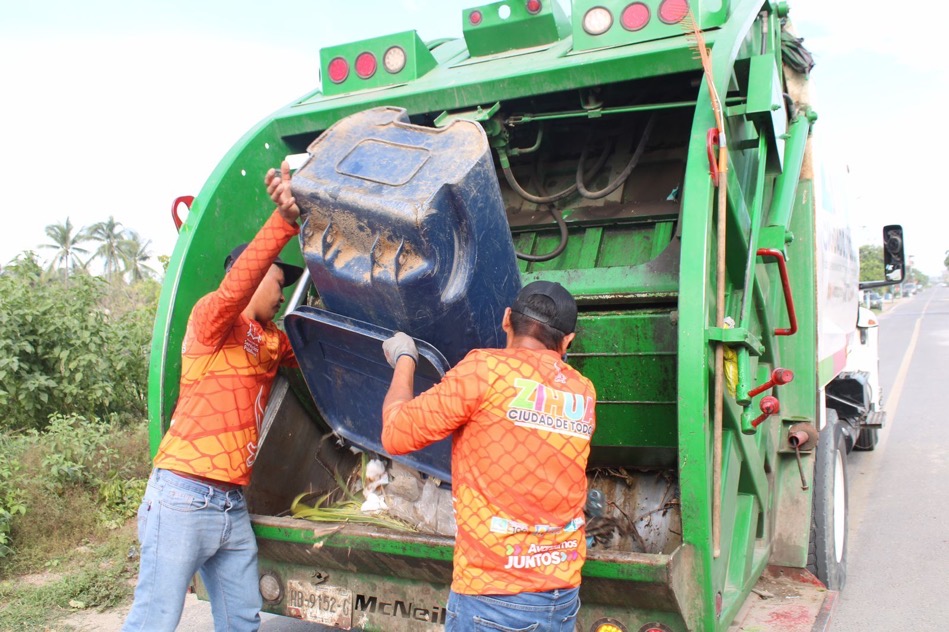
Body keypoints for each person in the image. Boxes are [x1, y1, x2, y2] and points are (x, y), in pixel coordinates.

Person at [122, 161, 303, 632]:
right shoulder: (211, 322)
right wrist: (283, 222)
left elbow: (311, 353)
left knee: (242, 620)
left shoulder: (268, 340)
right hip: (183, 495)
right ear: (256, 275)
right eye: (279, 282)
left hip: (230, 506)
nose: (282, 294)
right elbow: (233, 291)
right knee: (155, 620)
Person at [381, 280, 596, 632]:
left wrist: (404, 359)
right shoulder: (583, 392)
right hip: (561, 595)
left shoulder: (485, 371)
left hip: (494, 598)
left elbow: (396, 433)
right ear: (568, 341)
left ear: (506, 318)